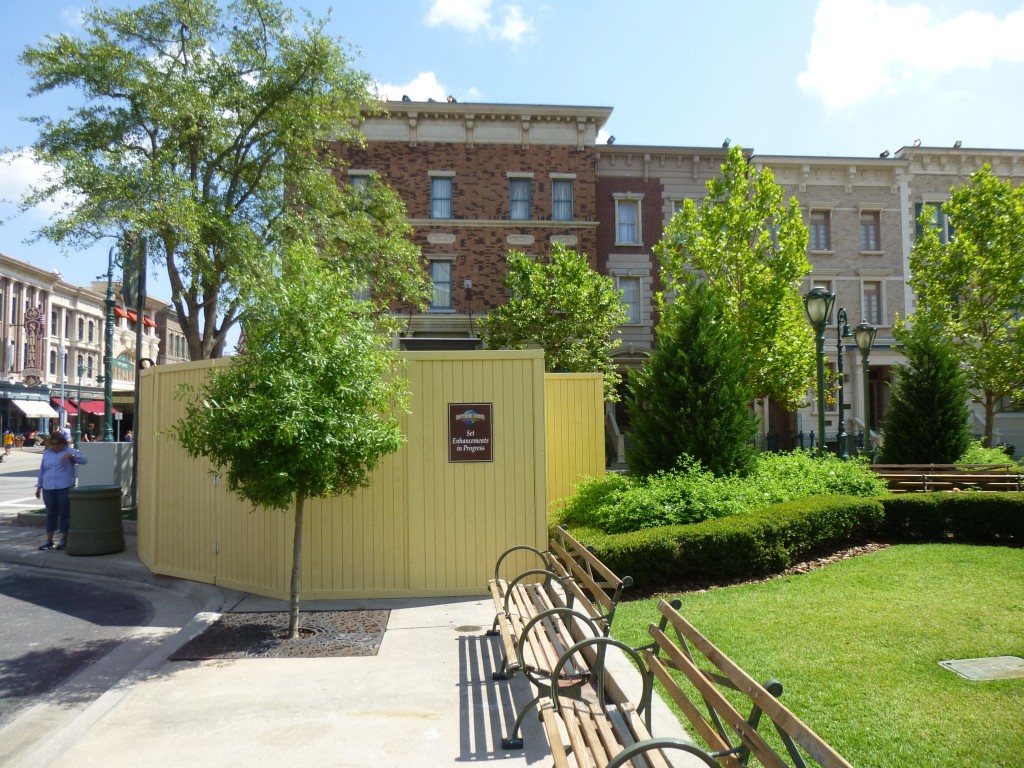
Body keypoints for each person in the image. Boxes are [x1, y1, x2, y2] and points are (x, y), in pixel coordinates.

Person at [36, 431, 88, 551]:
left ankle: (64, 539)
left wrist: (72, 456)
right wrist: (39, 486)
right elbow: (42, 470)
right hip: (48, 487)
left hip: (64, 487)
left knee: (64, 513)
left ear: (63, 443)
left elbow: (84, 460)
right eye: (52, 444)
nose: (55, 446)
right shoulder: (47, 453)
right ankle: (49, 539)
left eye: (57, 444)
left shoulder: (69, 451)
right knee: (50, 513)